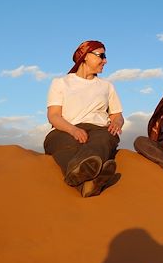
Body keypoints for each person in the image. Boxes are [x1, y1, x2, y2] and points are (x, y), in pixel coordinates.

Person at [44, 40, 123, 197]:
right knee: (65, 147)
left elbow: (117, 114)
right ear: (86, 56)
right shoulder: (60, 83)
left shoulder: (107, 86)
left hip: (99, 130)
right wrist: (73, 130)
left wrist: (116, 122)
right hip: (64, 130)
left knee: (102, 139)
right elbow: (53, 115)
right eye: (102, 55)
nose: (105, 60)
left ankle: (79, 173)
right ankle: (92, 181)